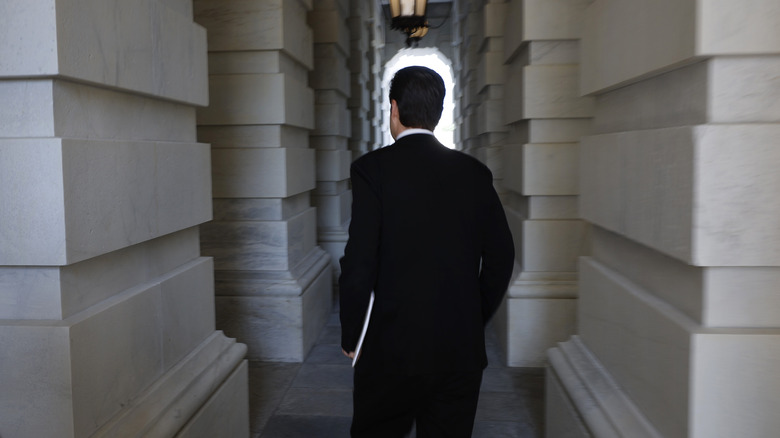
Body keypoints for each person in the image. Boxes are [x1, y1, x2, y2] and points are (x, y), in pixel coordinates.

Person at [339, 66, 515, 438]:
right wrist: (470, 317)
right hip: (458, 351)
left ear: (394, 108)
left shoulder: (371, 170)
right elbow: (501, 257)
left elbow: (358, 263)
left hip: (389, 350)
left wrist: (352, 336)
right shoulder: (474, 173)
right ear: (439, 112)